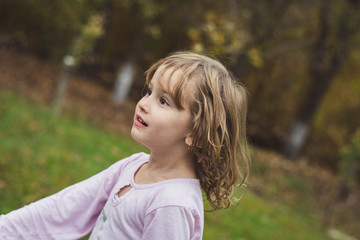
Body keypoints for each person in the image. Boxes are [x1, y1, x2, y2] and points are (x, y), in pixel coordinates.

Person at [0, 51, 250, 239]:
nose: (143, 103)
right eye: (149, 91)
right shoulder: (133, 167)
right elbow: (64, 209)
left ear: (196, 132)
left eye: (163, 101)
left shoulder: (172, 204)